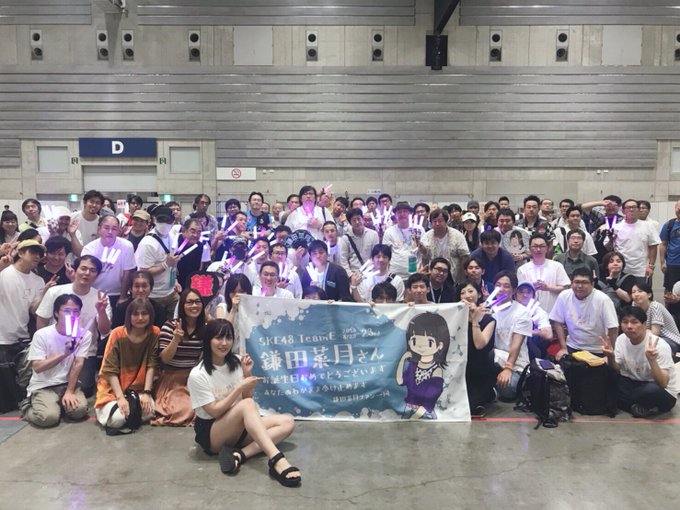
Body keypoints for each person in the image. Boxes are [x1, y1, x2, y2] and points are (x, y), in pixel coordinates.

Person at [187, 319, 300, 486]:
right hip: (212, 433)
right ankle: (276, 459)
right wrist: (239, 387)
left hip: (237, 426)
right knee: (247, 406)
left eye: (228, 338)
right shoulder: (198, 374)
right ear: (208, 340)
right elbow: (214, 411)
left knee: (288, 422)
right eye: (218, 338)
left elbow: (247, 399)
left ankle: (240, 455)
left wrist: (247, 374)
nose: (224, 343)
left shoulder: (237, 361)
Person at [23, 294, 90, 427]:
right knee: (49, 418)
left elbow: (78, 364)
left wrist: (70, 391)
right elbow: (37, 367)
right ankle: (27, 408)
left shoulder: (84, 334)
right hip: (44, 385)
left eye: (76, 311)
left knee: (79, 411)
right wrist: (64, 354)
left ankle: (60, 404)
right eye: (67, 311)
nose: (71, 315)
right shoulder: (42, 334)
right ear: (56, 313)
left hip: (68, 383)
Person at [95, 298, 159, 430]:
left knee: (150, 410)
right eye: (135, 314)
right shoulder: (117, 333)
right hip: (113, 389)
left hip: (138, 389)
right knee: (117, 420)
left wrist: (147, 393)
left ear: (150, 315)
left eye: (144, 314)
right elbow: (110, 370)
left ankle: (130, 411)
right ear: (129, 316)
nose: (140, 318)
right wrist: (120, 398)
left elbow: (151, 364)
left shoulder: (154, 332)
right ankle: (109, 409)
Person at [602, 307, 678, 418]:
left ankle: (622, 403)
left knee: (651, 390)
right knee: (606, 376)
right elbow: (618, 369)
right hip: (634, 383)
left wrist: (652, 360)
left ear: (644, 325)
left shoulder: (659, 345)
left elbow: (663, 383)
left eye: (634, 322)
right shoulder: (621, 339)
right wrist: (611, 357)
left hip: (659, 389)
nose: (629, 326)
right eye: (625, 322)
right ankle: (638, 406)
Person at [0, 240, 48, 411]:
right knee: (5, 400)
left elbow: (33, 310)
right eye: (32, 252)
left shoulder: (38, 280)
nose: (37, 256)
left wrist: (44, 293)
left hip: (22, 336)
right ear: (20, 253)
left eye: (39, 254)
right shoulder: (5, 272)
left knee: (20, 384)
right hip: (3, 336)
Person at [153, 288, 205, 426]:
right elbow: (164, 359)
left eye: (197, 302)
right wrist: (175, 340)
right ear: (182, 305)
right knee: (185, 410)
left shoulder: (204, 328)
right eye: (190, 302)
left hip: (193, 378)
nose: (194, 305)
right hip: (172, 379)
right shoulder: (170, 326)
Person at [549, 268, 619, 359]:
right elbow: (557, 322)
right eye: (576, 282)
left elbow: (613, 328)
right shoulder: (564, 296)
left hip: (598, 350)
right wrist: (563, 348)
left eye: (585, 282)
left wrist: (610, 352)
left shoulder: (603, 300)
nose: (580, 286)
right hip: (572, 347)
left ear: (592, 284)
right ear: (571, 283)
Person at [395, 312, 450, 419]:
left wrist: (415, 417)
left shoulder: (436, 370)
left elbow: (430, 398)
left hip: (425, 413)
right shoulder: (413, 365)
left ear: (440, 345)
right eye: (414, 340)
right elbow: (400, 381)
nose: (421, 346)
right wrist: (402, 359)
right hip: (408, 409)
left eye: (429, 342)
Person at [456, 280, 497, 417]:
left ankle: (489, 391)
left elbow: (480, 344)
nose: (467, 295)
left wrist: (474, 319)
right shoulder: (455, 317)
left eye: (470, 291)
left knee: (472, 408)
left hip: (479, 370)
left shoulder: (489, 320)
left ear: (479, 294)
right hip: (459, 368)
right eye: (462, 293)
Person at [490, 271, 533, 401]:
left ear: (514, 290)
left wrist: (508, 368)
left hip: (515, 364)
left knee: (508, 389)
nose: (501, 289)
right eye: (498, 285)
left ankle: (490, 388)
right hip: (494, 358)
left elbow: (516, 345)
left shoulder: (522, 312)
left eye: (506, 286)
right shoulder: (490, 308)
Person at [135, 206, 180, 318]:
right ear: (154, 220)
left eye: (168, 220)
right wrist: (165, 265)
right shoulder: (147, 243)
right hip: (153, 295)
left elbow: (173, 263)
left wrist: (175, 280)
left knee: (174, 323)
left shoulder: (172, 237)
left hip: (171, 292)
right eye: (161, 220)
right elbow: (143, 272)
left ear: (173, 221)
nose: (164, 224)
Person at [82, 215, 136, 307]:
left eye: (114, 229)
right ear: (99, 229)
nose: (110, 232)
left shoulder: (127, 246)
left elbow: (127, 273)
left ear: (119, 231)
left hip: (118, 293)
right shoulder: (89, 249)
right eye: (106, 228)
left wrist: (122, 297)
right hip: (94, 292)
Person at [517, 233, 570, 313]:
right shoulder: (522, 269)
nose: (538, 249)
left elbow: (565, 288)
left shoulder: (557, 266)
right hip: (529, 313)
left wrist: (548, 287)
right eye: (535, 246)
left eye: (542, 246)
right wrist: (531, 288)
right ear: (530, 248)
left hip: (553, 312)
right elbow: (519, 294)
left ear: (547, 248)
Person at [612, 198, 660, 281]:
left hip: (641, 270)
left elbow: (653, 247)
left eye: (634, 207)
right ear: (623, 211)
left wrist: (651, 266)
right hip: (621, 270)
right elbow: (610, 247)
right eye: (628, 207)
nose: (631, 209)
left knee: (641, 289)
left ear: (638, 210)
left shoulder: (648, 226)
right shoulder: (616, 227)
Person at [630, 282, 680, 358]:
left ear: (649, 295)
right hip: (649, 336)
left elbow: (654, 333)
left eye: (640, 291)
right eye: (633, 292)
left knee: (648, 346)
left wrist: (640, 331)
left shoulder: (655, 306)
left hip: (669, 339)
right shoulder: (635, 305)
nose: (636, 294)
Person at [419, 208, 469, 283]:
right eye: (434, 221)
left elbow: (465, 256)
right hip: (433, 275)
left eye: (440, 221)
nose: (437, 224)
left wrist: (462, 276)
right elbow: (424, 257)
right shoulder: (426, 236)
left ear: (446, 222)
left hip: (453, 274)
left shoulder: (457, 235)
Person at [515, 281, 555, 360]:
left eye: (528, 292)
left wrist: (529, 332)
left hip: (531, 350)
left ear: (533, 296)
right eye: (521, 292)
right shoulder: (510, 308)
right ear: (515, 295)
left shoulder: (538, 311)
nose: (525, 295)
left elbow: (549, 335)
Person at [382, 201, 421, 280]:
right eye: (399, 212)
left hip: (414, 273)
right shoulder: (389, 231)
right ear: (395, 215)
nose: (402, 214)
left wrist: (418, 242)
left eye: (405, 211)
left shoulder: (418, 229)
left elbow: (425, 252)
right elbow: (385, 254)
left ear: (410, 214)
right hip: (394, 274)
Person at [339, 208, 380, 275]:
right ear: (350, 223)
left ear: (362, 219)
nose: (357, 222)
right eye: (354, 220)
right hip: (354, 273)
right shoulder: (345, 238)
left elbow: (376, 255)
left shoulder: (373, 234)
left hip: (370, 272)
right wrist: (350, 275)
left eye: (359, 219)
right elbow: (343, 260)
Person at [175, 218, 211, 292]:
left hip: (191, 283)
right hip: (174, 282)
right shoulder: (174, 242)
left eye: (199, 232)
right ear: (183, 230)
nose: (195, 235)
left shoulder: (201, 246)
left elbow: (201, 268)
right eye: (192, 231)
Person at [659, 200, 680, 294]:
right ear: (675, 209)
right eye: (678, 209)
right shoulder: (669, 225)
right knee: (670, 290)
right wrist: (662, 262)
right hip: (673, 264)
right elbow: (663, 244)